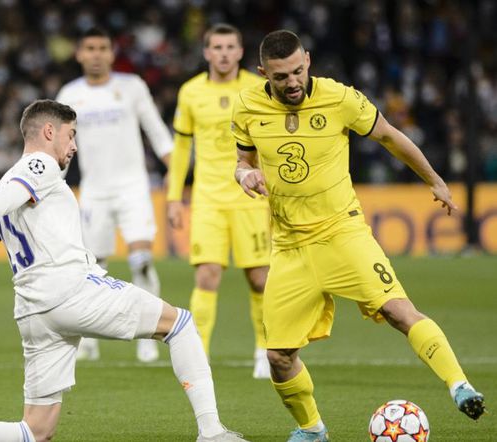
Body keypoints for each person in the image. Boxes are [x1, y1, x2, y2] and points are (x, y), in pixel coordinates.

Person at [0, 100, 247, 442]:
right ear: (48, 131)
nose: (74, 146)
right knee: (180, 325)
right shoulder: (38, 166)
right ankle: (212, 432)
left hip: (34, 312)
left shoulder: (5, 186)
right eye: (71, 135)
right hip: (72, 291)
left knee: (37, 430)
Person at [232, 30, 485, 442]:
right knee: (278, 355)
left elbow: (389, 135)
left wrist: (434, 180)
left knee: (399, 311)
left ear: (307, 61)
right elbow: (242, 159)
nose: (292, 82)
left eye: (297, 71)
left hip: (343, 233)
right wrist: (245, 174)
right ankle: (312, 430)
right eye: (281, 77)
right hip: (290, 247)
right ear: (264, 73)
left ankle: (460, 386)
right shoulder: (246, 106)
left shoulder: (340, 98)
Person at [56, 27, 172, 363]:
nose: (96, 54)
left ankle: (148, 337)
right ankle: (89, 338)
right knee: (93, 268)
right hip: (94, 191)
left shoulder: (132, 86)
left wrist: (175, 174)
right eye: (90, 48)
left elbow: (157, 131)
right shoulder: (70, 94)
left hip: (133, 187)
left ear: (111, 53)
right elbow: (61, 147)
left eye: (102, 48)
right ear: (79, 54)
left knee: (142, 260)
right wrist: (51, 184)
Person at [167, 23, 271, 379]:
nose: (224, 53)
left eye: (230, 47)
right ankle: (199, 356)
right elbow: (181, 149)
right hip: (208, 198)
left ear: (240, 52)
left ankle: (264, 350)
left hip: (250, 196)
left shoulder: (257, 88)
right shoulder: (191, 92)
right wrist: (173, 197)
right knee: (207, 276)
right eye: (217, 47)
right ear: (207, 52)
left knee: (259, 279)